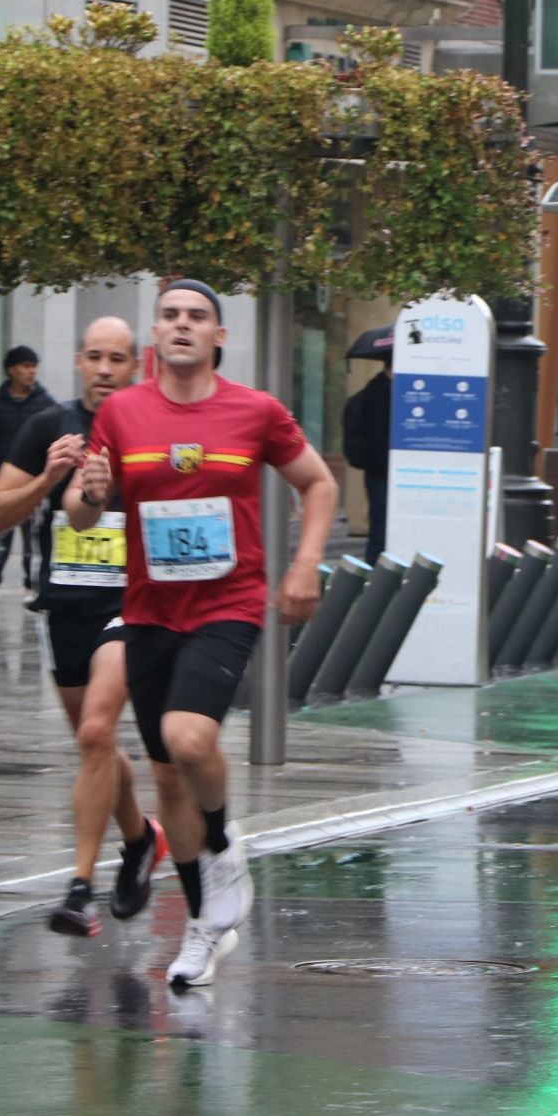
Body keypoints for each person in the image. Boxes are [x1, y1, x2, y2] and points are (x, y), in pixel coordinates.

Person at [68, 281, 337, 987]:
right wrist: (89, 493)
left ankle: (223, 842)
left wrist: (305, 564)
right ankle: (201, 926)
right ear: (154, 334)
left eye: (197, 317)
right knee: (165, 776)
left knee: (191, 739)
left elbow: (318, 484)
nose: (182, 326)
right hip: (151, 610)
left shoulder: (255, 411)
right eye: (170, 316)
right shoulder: (123, 413)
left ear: (220, 335)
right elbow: (82, 515)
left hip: (229, 602)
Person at [0, 318, 164, 937]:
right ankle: (140, 840)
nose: (106, 369)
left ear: (137, 364)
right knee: (97, 747)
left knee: (95, 732)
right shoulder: (47, 426)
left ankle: (79, 887)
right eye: (95, 357)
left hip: (132, 604)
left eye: (118, 357)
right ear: (79, 362)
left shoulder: (150, 424)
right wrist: (46, 480)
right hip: (64, 607)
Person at [0, 344, 55, 602]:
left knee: (34, 537)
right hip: (2, 482)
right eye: (26, 366)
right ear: (12, 370)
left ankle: (33, 587)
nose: (31, 372)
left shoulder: (45, 403)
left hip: (34, 483)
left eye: (34, 367)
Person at [340, 354, 392, 562]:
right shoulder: (381, 394)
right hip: (384, 472)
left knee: (380, 529)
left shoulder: (372, 391)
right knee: (382, 531)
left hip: (378, 472)